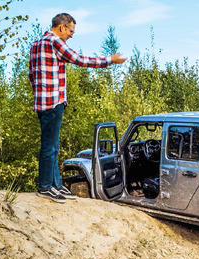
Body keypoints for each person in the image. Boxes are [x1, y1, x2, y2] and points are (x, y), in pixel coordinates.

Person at [29, 13, 127, 203]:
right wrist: (110, 60)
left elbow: (32, 75)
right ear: (62, 27)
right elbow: (80, 59)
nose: (72, 35)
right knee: (49, 147)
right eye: (71, 31)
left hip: (42, 101)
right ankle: (44, 187)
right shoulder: (55, 42)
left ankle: (56, 185)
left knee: (53, 147)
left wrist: (39, 95)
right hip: (53, 101)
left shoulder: (36, 44)